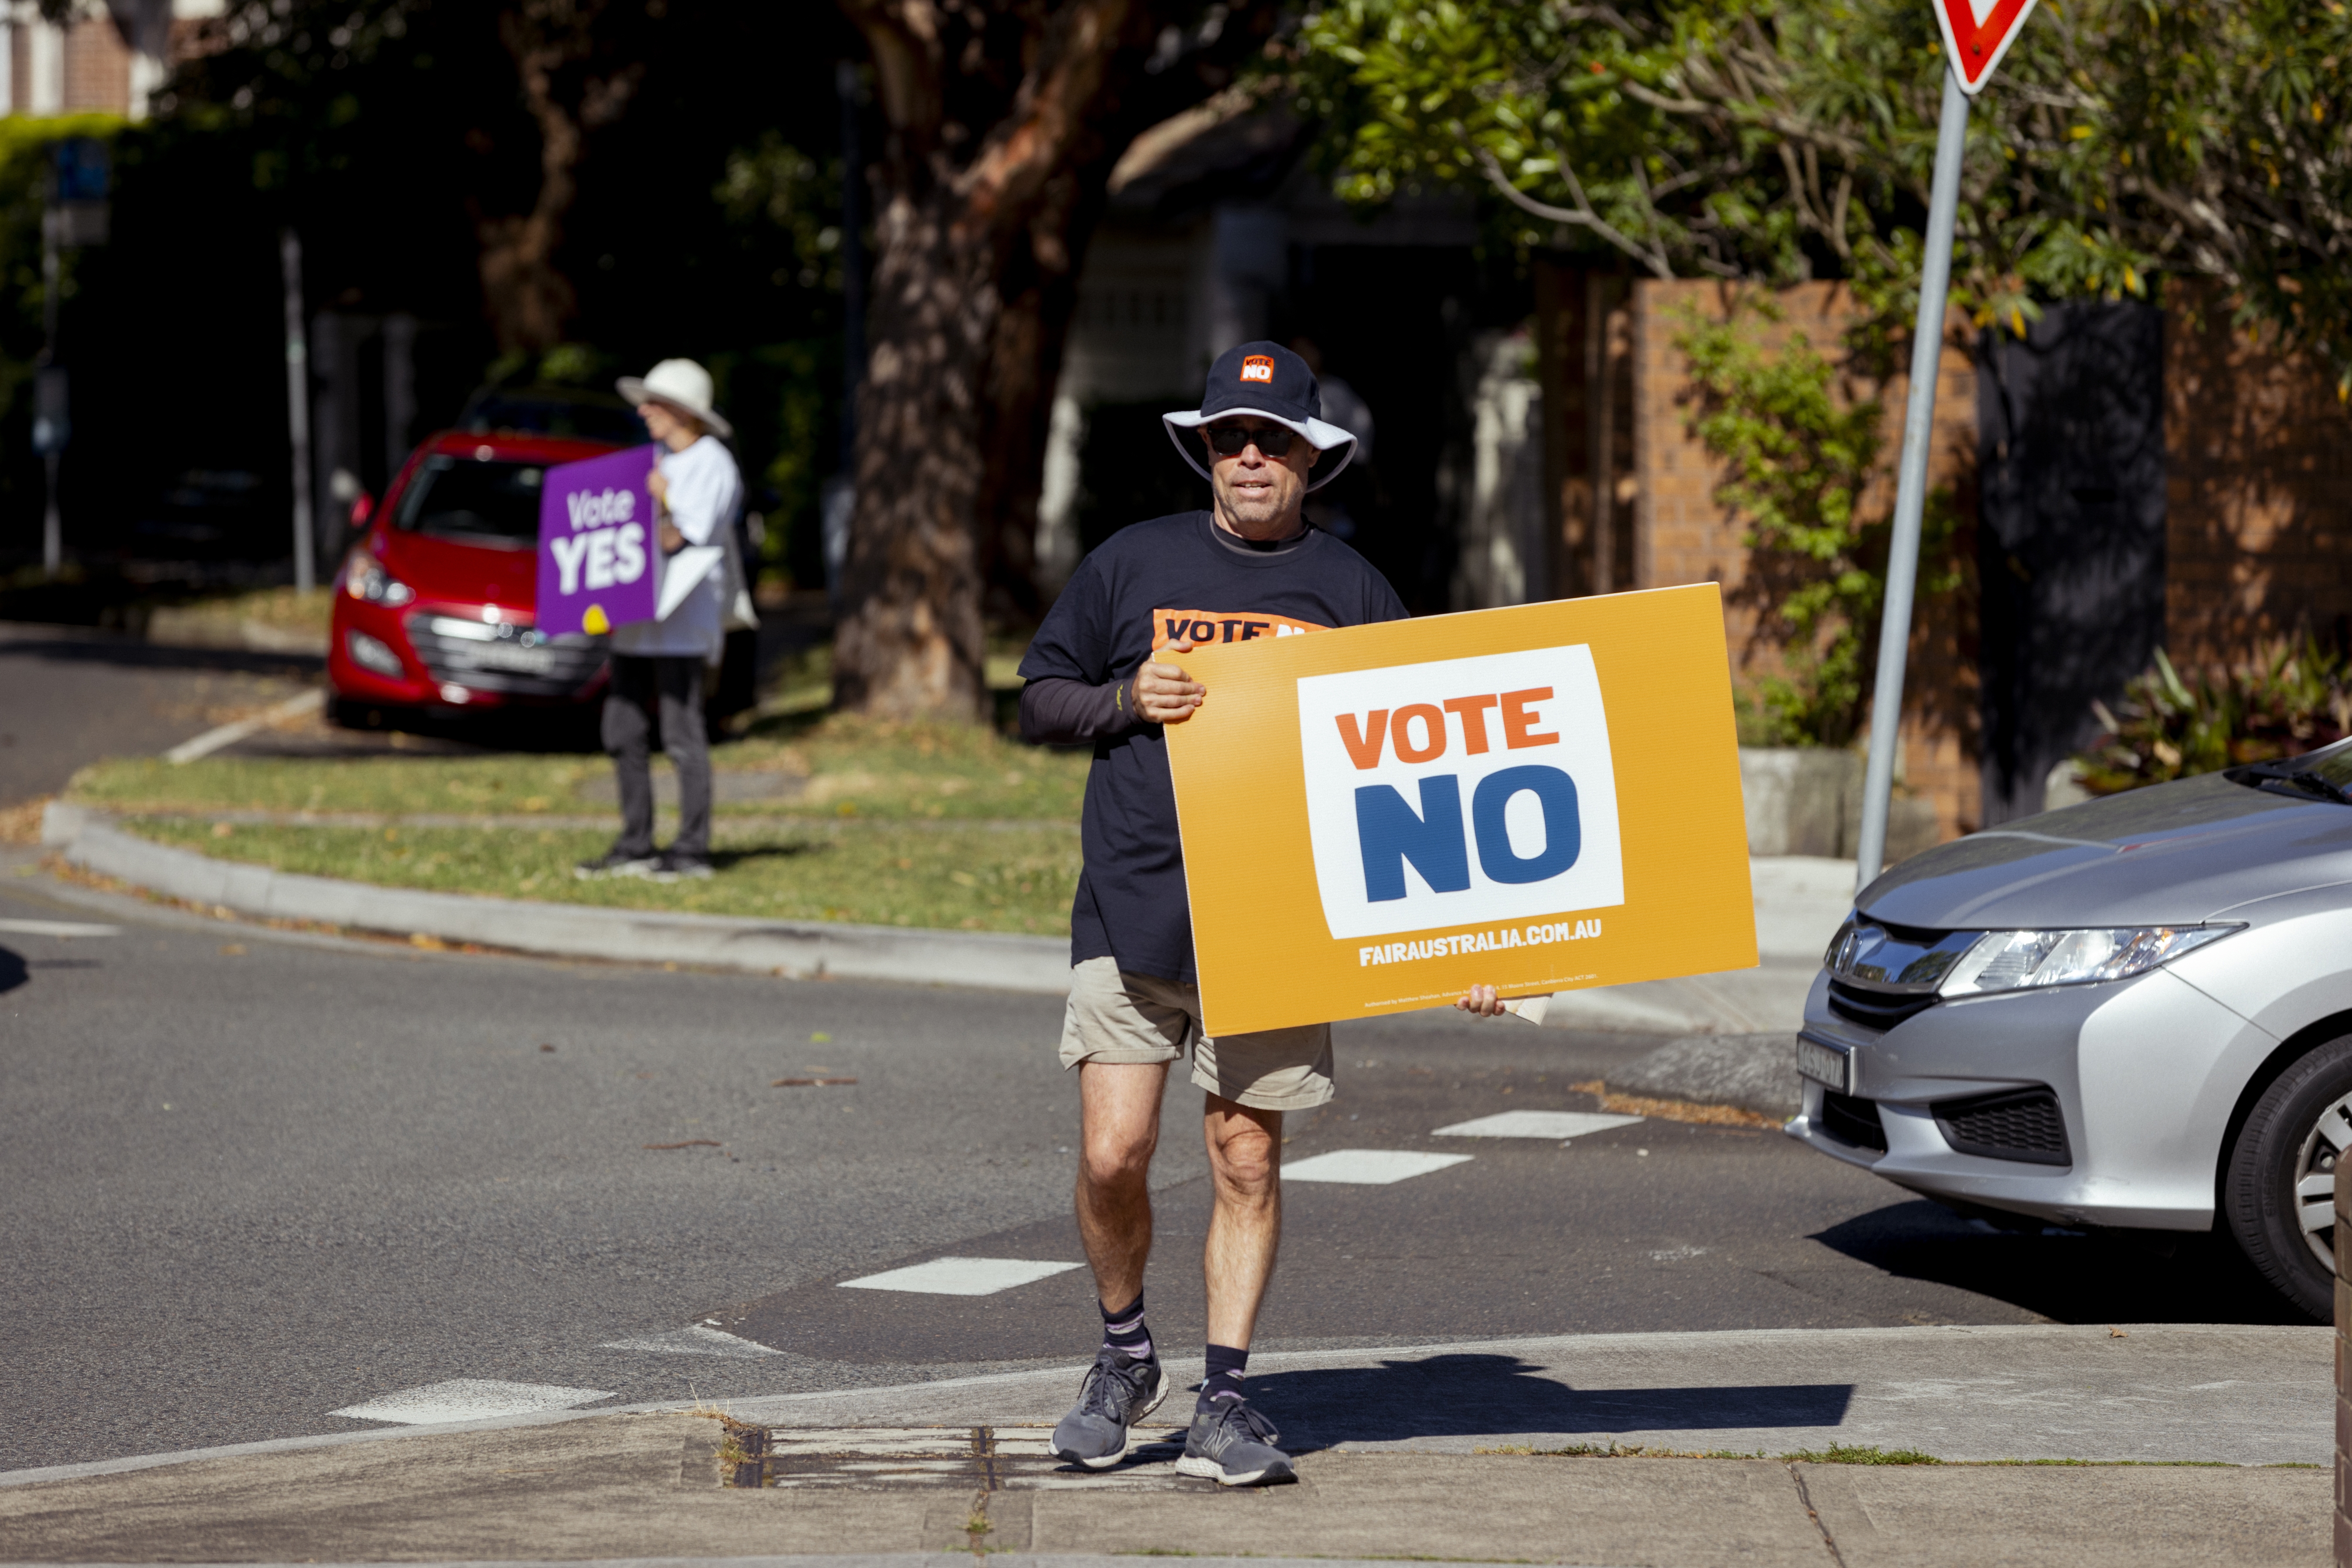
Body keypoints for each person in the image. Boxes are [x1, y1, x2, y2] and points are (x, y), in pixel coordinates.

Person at [1017, 341, 1511, 1488]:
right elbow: (1040, 691)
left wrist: (1483, 945)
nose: (1249, 456)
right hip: (1132, 909)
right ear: (1203, 449)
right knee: (1111, 1151)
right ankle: (1123, 1353)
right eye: (1229, 438)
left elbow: (1425, 784)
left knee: (1242, 1156)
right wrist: (1121, 695)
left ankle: (1226, 1395)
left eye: (1272, 440)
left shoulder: (1351, 592)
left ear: (1310, 461)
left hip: (1279, 928)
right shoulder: (1129, 562)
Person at [575, 358, 743, 884]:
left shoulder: (712, 463)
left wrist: (658, 499)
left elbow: (682, 537)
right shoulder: (656, 460)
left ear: (682, 411)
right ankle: (636, 844)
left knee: (681, 734)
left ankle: (691, 850)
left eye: (653, 401)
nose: (643, 411)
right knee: (622, 730)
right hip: (636, 623)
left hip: (681, 624)